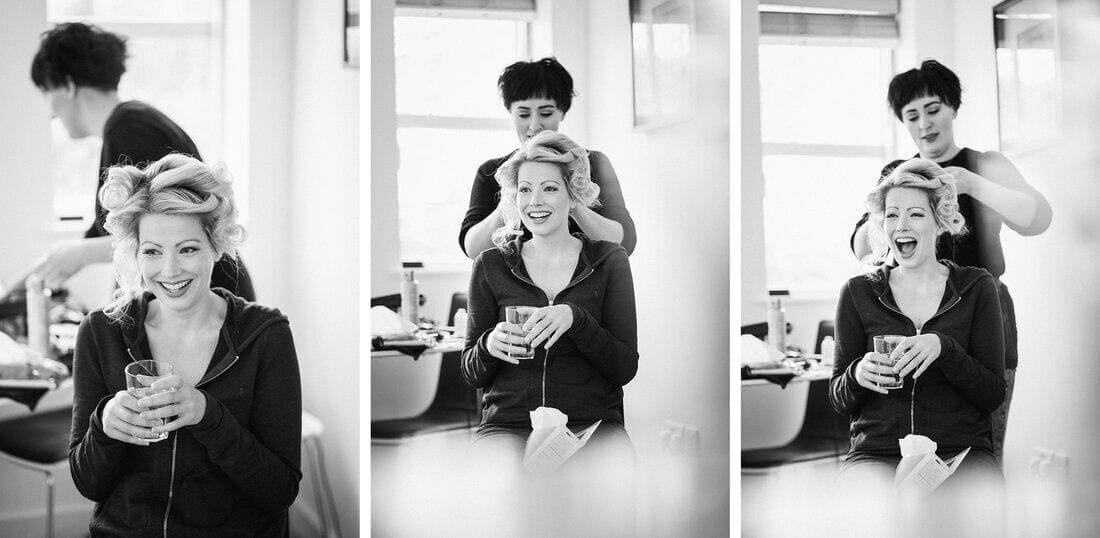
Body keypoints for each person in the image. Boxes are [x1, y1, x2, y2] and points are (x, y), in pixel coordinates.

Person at [68, 154, 301, 535]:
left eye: (188, 249)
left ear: (218, 244)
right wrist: (104, 426)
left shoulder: (265, 334)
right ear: (135, 252)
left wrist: (208, 414)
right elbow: (88, 483)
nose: (170, 270)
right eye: (152, 251)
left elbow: (278, 491)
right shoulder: (101, 332)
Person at [850, 59, 1051, 465]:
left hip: (985, 315)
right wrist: (891, 206)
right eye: (912, 115)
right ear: (903, 123)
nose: (925, 123)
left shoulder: (985, 165)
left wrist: (970, 183)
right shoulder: (898, 172)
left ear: (953, 108)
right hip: (910, 317)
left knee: (980, 447)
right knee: (908, 448)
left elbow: (1038, 218)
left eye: (933, 108)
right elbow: (861, 247)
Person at [18, 22, 254, 299]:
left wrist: (80, 254)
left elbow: (167, 230)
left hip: (210, 301)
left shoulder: (130, 128)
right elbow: (105, 232)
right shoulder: (126, 126)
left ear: (68, 85)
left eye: (47, 92)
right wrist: (31, 276)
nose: (49, 111)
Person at [460, 130, 638, 472]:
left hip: (591, 424)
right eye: (525, 189)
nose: (535, 201)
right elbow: (471, 371)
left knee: (606, 488)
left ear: (573, 195)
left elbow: (624, 368)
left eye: (550, 188)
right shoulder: (490, 265)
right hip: (508, 425)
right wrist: (488, 345)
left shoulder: (609, 261)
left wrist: (577, 319)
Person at [832, 159, 1006, 496]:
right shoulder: (858, 292)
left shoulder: (976, 287)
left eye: (915, 214)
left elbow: (992, 394)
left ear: (939, 222)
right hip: (877, 453)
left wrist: (945, 348)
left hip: (958, 451)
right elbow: (839, 397)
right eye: (892, 215)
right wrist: (857, 375)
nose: (901, 225)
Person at [458, 56, 636, 258]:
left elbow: (624, 243)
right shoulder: (492, 171)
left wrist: (572, 196)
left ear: (562, 112)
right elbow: (473, 249)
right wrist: (510, 196)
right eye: (524, 114)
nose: (534, 126)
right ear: (511, 113)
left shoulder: (594, 163)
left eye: (546, 113)